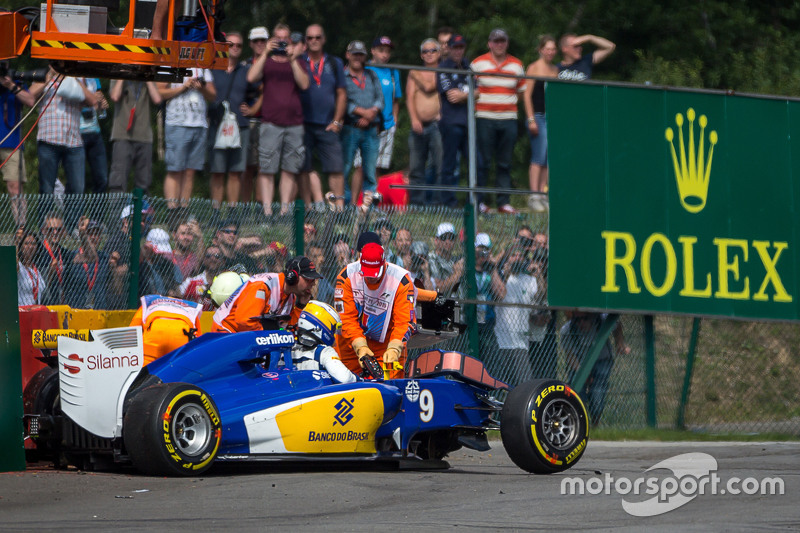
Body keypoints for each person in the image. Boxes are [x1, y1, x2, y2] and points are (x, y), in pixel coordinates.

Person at [247, 23, 310, 217]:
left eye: (285, 38)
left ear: (290, 40)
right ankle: (266, 210)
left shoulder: (298, 61)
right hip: (270, 122)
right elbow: (251, 77)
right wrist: (265, 53)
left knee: (290, 168)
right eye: (278, 38)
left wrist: (292, 59)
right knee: (266, 168)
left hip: (294, 123)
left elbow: (305, 84)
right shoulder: (266, 60)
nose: (282, 42)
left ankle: (284, 209)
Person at [335, 239, 416, 379]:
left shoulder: (401, 281)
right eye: (367, 273)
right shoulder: (346, 276)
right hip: (350, 346)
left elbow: (404, 321)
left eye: (374, 273)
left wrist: (395, 347)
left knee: (390, 387)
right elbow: (346, 318)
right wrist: (360, 347)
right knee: (345, 385)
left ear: (384, 263)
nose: (371, 278)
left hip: (386, 345)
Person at [29, 70, 98, 226]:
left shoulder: (76, 79)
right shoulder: (43, 76)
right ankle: (44, 228)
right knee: (47, 188)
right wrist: (49, 76)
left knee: (77, 188)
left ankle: (73, 228)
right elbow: (30, 95)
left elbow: (93, 100)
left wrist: (74, 77)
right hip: (48, 139)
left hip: (73, 141)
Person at [470, 29, 526, 214]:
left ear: (507, 43)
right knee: (483, 162)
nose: (499, 44)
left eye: (502, 41)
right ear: (489, 43)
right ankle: (480, 202)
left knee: (505, 162)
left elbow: (521, 92)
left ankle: (503, 202)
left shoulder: (517, 65)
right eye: (496, 41)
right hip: (485, 118)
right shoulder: (478, 63)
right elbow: (470, 90)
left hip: (509, 119)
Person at [299, 24, 347, 210]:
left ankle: (339, 208)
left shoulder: (334, 63)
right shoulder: (300, 61)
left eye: (317, 37)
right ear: (305, 41)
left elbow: (342, 93)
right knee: (303, 167)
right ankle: (309, 208)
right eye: (310, 38)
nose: (314, 41)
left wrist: (336, 121)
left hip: (328, 124)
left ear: (324, 39)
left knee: (335, 167)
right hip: (303, 124)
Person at [157, 67, 217, 210]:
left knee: (190, 171)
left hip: (199, 124)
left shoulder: (202, 67)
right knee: (175, 169)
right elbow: (160, 92)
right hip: (177, 123)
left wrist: (201, 88)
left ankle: (184, 209)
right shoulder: (170, 64)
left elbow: (213, 95)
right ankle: (172, 210)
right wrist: (183, 87)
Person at [212, 256, 321, 332]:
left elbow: (289, 328)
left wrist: (301, 305)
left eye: (314, 281)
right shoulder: (262, 285)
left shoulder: (290, 297)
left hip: (244, 336)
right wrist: (271, 336)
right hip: (226, 331)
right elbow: (244, 321)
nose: (313, 284)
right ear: (292, 276)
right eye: (308, 279)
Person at [350, 37, 402, 197]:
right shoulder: (365, 70)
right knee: (360, 166)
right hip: (366, 124)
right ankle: (351, 206)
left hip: (386, 126)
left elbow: (396, 100)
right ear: (372, 51)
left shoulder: (393, 73)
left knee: (376, 167)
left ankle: (370, 204)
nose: (384, 55)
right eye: (381, 50)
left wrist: (394, 120)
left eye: (387, 51)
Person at [560, 311, 630, 425]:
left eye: (585, 319)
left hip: (602, 360)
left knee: (597, 394)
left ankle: (595, 424)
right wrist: (583, 372)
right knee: (576, 394)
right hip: (579, 363)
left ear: (593, 317)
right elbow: (570, 356)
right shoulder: (567, 330)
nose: (581, 323)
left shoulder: (603, 320)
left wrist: (620, 342)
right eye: (577, 320)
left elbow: (617, 325)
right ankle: (580, 424)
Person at [209, 31, 253, 214]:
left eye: (238, 45)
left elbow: (263, 89)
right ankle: (216, 210)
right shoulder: (213, 68)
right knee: (217, 170)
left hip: (240, 125)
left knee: (236, 171)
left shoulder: (245, 71)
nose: (234, 48)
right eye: (230, 44)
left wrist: (253, 108)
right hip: (217, 124)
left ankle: (233, 211)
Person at [341, 40, 384, 205]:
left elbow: (381, 99)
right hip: (350, 128)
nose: (357, 58)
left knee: (370, 172)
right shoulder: (342, 77)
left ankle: (368, 208)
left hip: (371, 129)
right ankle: (344, 207)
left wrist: (371, 113)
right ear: (348, 55)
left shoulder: (371, 75)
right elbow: (342, 101)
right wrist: (361, 112)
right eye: (355, 54)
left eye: (360, 54)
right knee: (345, 169)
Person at [108, 80, 162, 193]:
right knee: (118, 180)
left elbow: (157, 99)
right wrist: (122, 77)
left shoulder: (148, 78)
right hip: (122, 135)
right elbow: (114, 96)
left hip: (144, 136)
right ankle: (117, 210)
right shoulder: (117, 77)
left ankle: (142, 209)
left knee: (144, 181)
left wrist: (148, 79)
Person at [523, 35, 558, 212]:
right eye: (548, 48)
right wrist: (531, 119)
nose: (550, 52)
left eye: (553, 49)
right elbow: (527, 95)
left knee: (547, 156)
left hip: (551, 116)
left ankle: (543, 193)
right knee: (539, 154)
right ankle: (534, 194)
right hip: (537, 115)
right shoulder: (534, 67)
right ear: (541, 49)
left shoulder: (555, 70)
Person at [406, 39, 443, 206]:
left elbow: (429, 87)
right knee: (415, 167)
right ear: (421, 54)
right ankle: (417, 204)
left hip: (438, 126)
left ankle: (437, 204)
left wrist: (415, 73)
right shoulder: (414, 72)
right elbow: (409, 97)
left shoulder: (443, 70)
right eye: (425, 51)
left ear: (439, 53)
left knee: (440, 166)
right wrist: (414, 118)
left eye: (433, 50)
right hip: (418, 125)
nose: (429, 54)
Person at [494, 246, 537, 385]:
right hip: (500, 341)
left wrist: (539, 274)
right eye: (514, 255)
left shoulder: (529, 280)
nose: (517, 258)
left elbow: (541, 295)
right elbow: (497, 295)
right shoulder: (499, 276)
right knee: (501, 385)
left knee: (524, 384)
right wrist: (505, 276)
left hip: (520, 343)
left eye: (520, 256)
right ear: (507, 258)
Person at [437, 34, 469, 209]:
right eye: (455, 47)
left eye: (461, 47)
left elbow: (477, 92)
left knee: (475, 163)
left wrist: (465, 94)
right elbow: (452, 96)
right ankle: (448, 204)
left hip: (468, 123)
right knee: (449, 164)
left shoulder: (467, 65)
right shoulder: (443, 67)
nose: (458, 51)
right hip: (450, 123)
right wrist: (470, 94)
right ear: (448, 48)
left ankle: (474, 202)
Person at [292, 300, 359, 383]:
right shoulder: (324, 352)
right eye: (333, 329)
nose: (334, 333)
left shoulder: (287, 350)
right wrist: (357, 379)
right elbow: (345, 379)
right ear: (323, 327)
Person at [1, 69, 35, 227]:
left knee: (15, 188)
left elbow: (30, 101)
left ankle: (21, 229)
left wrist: (10, 85)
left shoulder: (17, 82)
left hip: (11, 142)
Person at [130, 295, 204, 366]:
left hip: (155, 333)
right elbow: (198, 341)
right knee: (179, 370)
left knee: (144, 372)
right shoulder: (191, 308)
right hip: (181, 335)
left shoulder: (149, 302)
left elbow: (131, 332)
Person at [240, 26, 269, 204]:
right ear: (250, 43)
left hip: (267, 120)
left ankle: (260, 207)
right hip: (248, 120)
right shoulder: (245, 65)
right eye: (256, 41)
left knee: (263, 166)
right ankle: (243, 207)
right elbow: (243, 88)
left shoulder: (273, 63)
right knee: (246, 167)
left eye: (263, 41)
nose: (259, 44)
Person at [66, 218, 109, 309]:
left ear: (100, 237)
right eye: (90, 234)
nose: (93, 237)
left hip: (99, 312)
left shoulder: (104, 257)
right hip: (77, 311)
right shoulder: (73, 256)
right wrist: (83, 233)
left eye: (96, 234)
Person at [78, 78, 109, 193]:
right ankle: (75, 211)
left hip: (95, 132)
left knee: (102, 178)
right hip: (77, 132)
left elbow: (99, 104)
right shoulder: (73, 78)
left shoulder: (94, 79)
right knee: (78, 180)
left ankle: (98, 210)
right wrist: (91, 100)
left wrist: (101, 104)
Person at [35, 211, 73, 305]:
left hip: (63, 304)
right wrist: (50, 272)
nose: (55, 232)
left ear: (63, 231)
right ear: (43, 230)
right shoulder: (37, 252)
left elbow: (91, 257)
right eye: (51, 229)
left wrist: (83, 233)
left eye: (58, 229)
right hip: (44, 304)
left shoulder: (65, 253)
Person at [179, 244, 226, 309]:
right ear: (203, 260)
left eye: (217, 256)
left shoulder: (226, 283)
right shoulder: (192, 282)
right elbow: (177, 297)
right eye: (208, 256)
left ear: (223, 261)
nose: (212, 259)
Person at [428, 222, 463, 296]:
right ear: (436, 240)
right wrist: (457, 274)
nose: (448, 242)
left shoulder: (456, 260)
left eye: (451, 238)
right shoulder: (430, 260)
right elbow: (438, 288)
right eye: (444, 238)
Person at [17, 229, 45, 306]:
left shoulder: (37, 268)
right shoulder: (19, 266)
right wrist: (16, 243)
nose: (30, 247)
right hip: (23, 310)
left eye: (33, 244)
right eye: (26, 243)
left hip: (36, 311)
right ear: (21, 246)